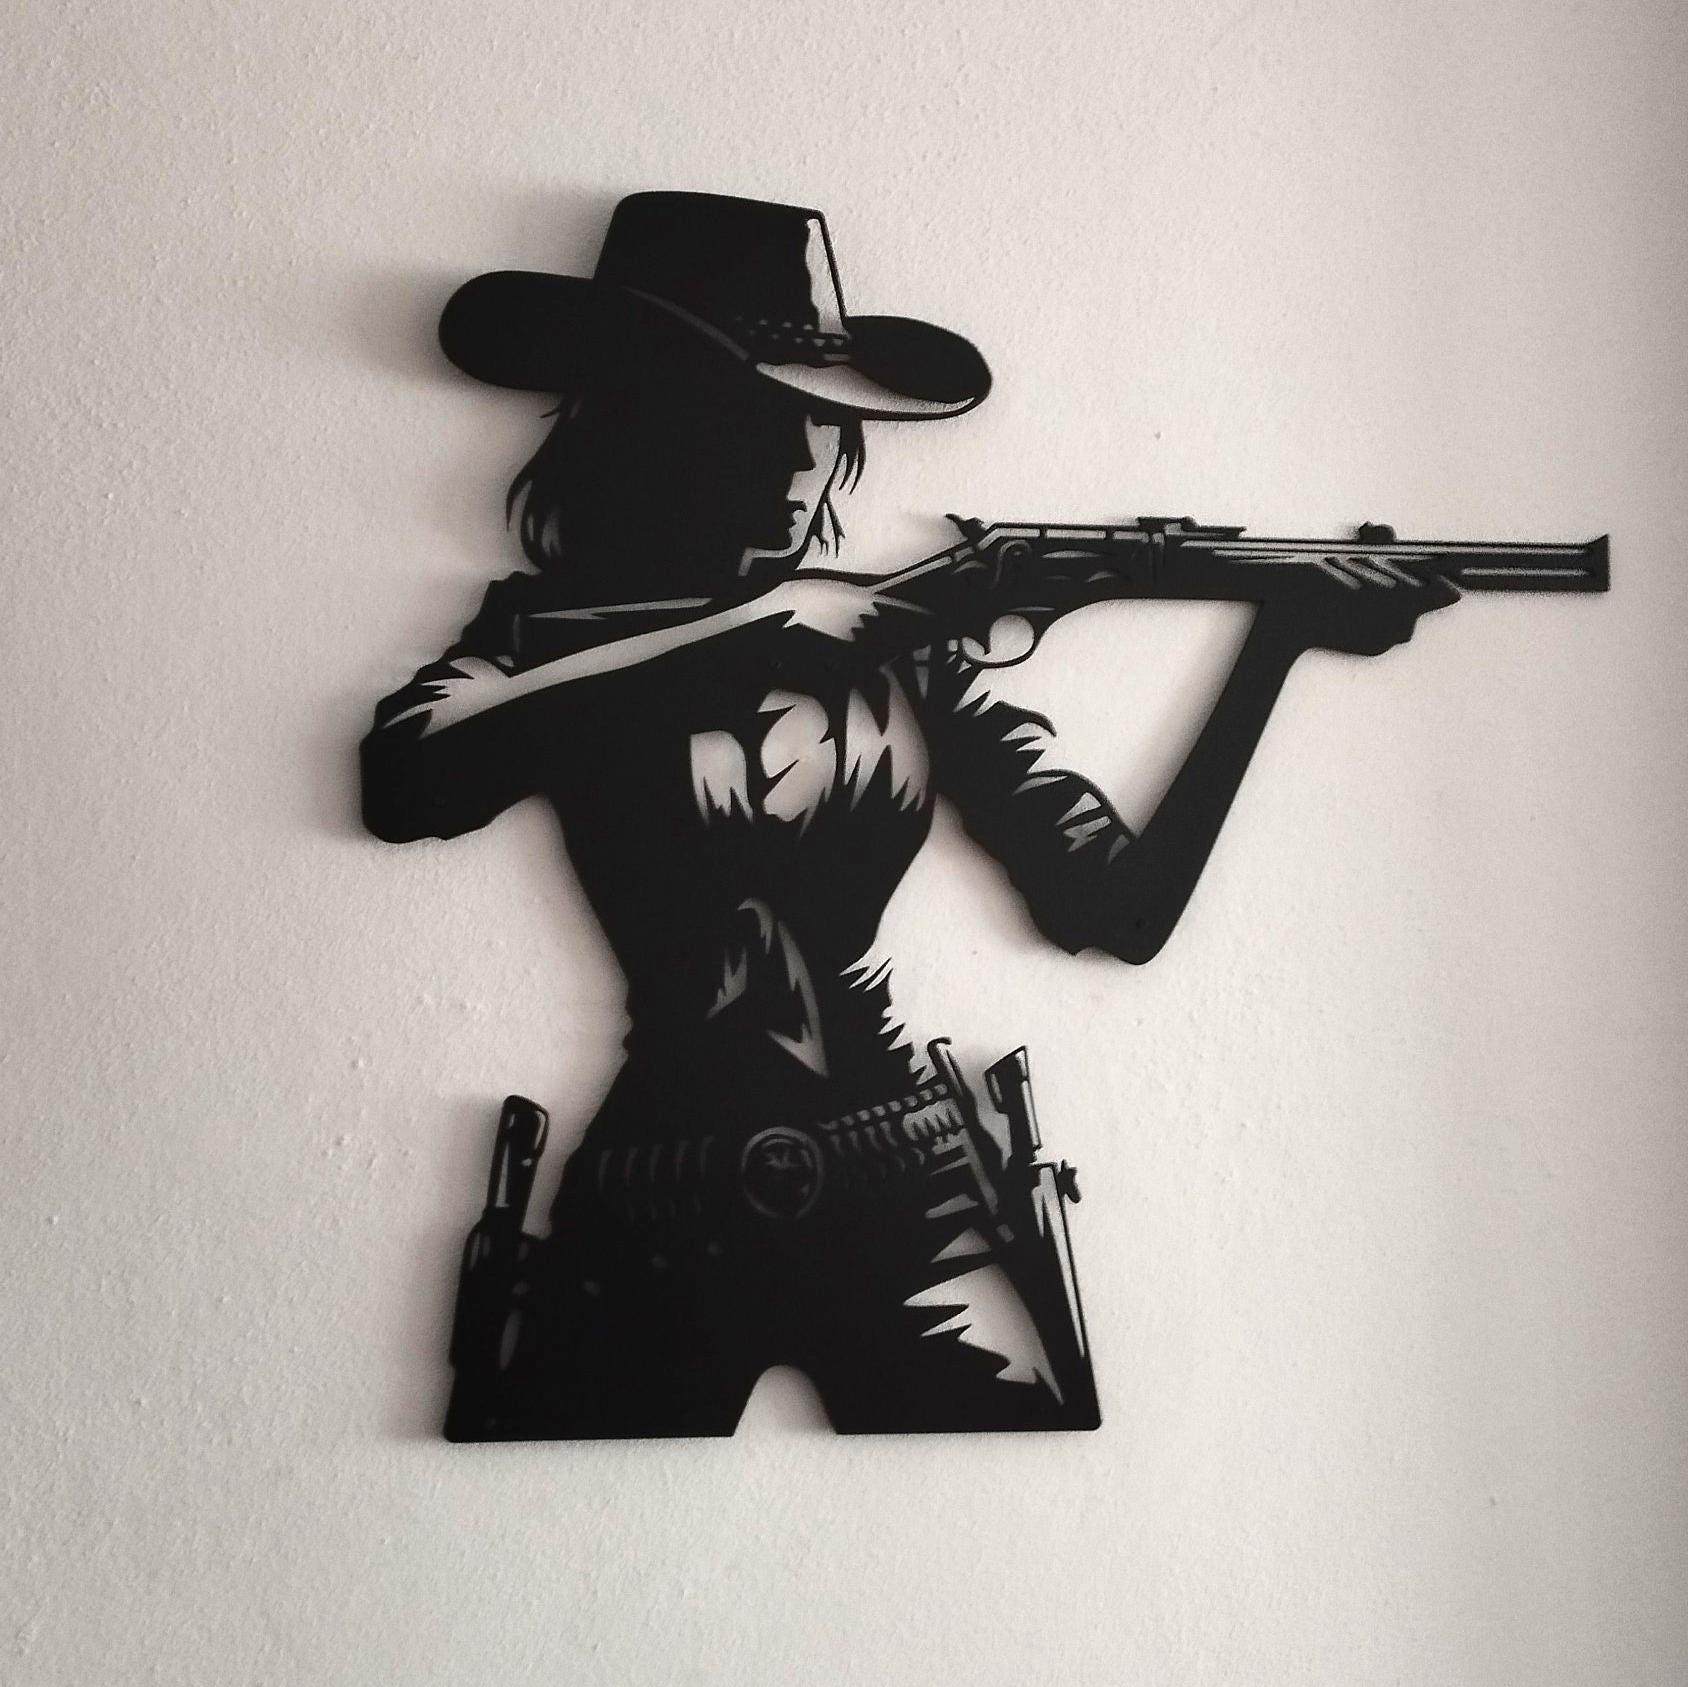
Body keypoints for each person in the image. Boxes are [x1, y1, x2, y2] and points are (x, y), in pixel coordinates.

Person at [362, 192, 1451, 1439]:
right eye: (751, 416)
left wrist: (1270, 650)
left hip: (914, 1196)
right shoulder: (541, 639)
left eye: (821, 422)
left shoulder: (900, 649)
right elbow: (406, 779)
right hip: (653, 1200)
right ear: (643, 424)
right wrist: (761, 629)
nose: (798, 462)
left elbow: (1121, 909)